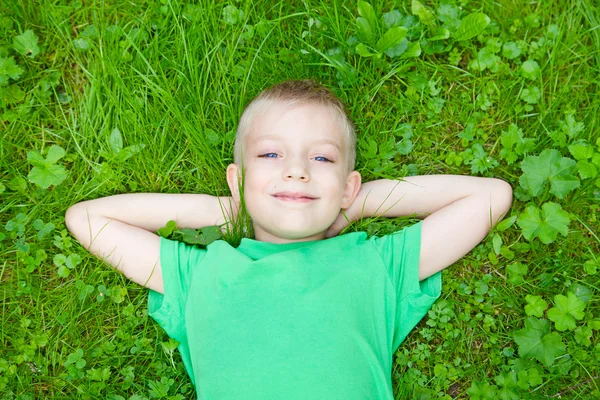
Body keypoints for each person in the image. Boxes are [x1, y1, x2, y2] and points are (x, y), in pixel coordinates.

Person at [65, 79, 513, 399]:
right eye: (271, 153)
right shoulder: (201, 273)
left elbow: (490, 196)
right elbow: (87, 218)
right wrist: (226, 210)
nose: (296, 169)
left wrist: (351, 205)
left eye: (320, 157)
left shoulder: (375, 264)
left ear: (347, 183)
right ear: (239, 179)